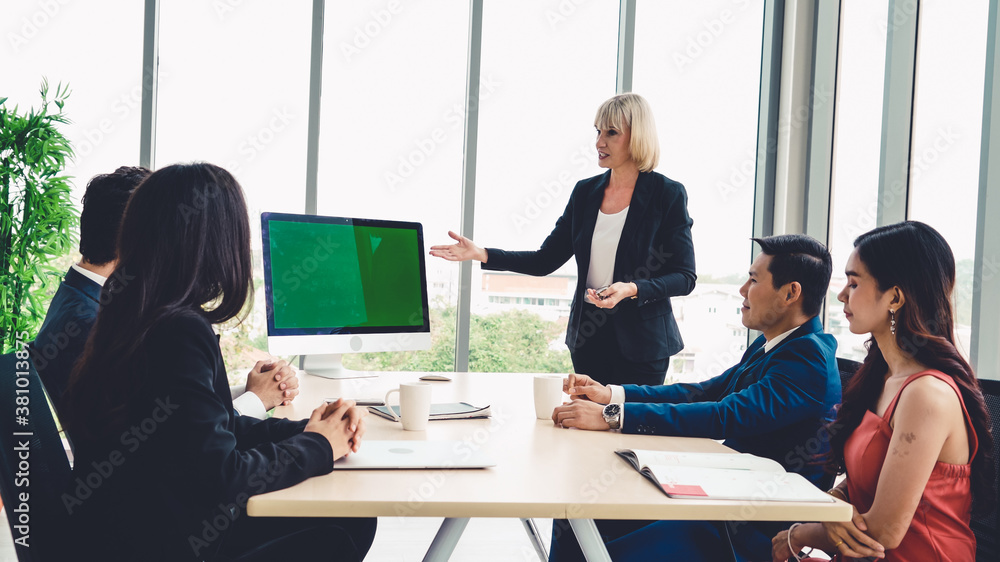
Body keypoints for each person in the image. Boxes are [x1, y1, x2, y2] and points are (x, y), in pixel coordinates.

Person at [60, 163, 376, 561]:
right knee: (342, 529)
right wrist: (317, 445)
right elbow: (221, 476)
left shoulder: (131, 308)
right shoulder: (177, 330)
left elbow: (213, 429)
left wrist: (311, 430)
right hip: (173, 541)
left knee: (353, 519)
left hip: (139, 530)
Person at [549, 234, 841, 561]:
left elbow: (724, 415)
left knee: (588, 526)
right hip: (722, 495)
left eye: (754, 280)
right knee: (575, 515)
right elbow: (704, 392)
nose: (743, 290)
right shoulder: (774, 344)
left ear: (791, 293)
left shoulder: (807, 358)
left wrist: (611, 417)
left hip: (745, 525)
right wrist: (612, 394)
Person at [429, 92, 695, 386]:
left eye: (611, 133)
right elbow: (546, 259)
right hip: (589, 338)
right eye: (597, 131)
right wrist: (483, 253)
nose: (599, 142)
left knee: (626, 426)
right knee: (584, 424)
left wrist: (632, 288)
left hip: (644, 347)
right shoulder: (585, 193)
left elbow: (684, 277)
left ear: (637, 138)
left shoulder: (666, 194)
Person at [771, 221, 995, 562]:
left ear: (895, 297)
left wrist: (798, 533)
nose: (842, 294)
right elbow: (869, 478)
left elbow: (884, 532)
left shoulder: (926, 394)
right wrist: (836, 500)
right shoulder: (882, 378)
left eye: (854, 282)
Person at [29, 165, 296, 419]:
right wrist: (257, 400)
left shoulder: (77, 299)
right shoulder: (89, 324)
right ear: (134, 233)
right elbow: (165, 442)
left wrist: (252, 392)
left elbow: (171, 410)